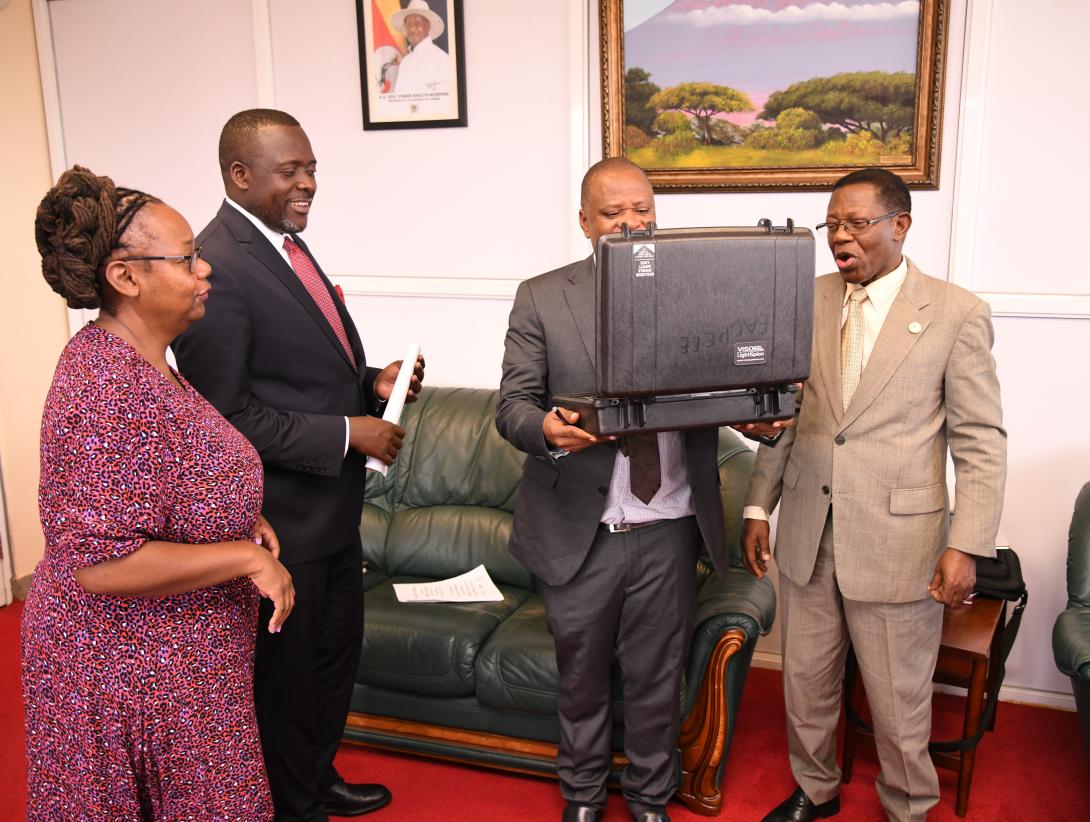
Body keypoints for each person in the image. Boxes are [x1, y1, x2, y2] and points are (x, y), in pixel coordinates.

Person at [495, 157, 788, 822]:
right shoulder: (543, 296)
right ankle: (583, 798)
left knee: (658, 682)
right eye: (612, 213)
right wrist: (543, 426)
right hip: (581, 529)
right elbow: (512, 404)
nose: (631, 223)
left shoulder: (695, 295)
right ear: (584, 223)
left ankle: (653, 799)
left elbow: (724, 391)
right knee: (582, 680)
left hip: (671, 526)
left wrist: (753, 416)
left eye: (643, 210)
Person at [22, 166, 295, 819]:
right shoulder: (104, 384)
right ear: (126, 277)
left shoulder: (146, 360)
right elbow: (102, 563)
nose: (206, 271)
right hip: (124, 675)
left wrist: (238, 513)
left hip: (184, 666)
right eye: (187, 259)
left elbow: (168, 472)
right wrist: (246, 558)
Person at [173, 109, 423, 820]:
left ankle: (317, 780)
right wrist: (350, 433)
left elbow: (300, 371)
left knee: (330, 665)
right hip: (281, 523)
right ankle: (292, 804)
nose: (309, 183)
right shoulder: (216, 268)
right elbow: (227, 417)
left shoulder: (285, 245)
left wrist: (373, 381)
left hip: (332, 515)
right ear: (240, 175)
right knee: (288, 686)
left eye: (311, 168)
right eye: (292, 171)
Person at [741, 167, 1007, 822]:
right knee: (805, 683)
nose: (840, 236)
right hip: (808, 529)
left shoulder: (955, 313)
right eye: (831, 224)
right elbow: (787, 415)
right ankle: (815, 789)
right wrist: (757, 504)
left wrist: (967, 543)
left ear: (900, 226)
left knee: (897, 698)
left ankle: (908, 804)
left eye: (856, 223)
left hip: (899, 543)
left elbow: (981, 441)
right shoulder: (805, 300)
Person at [389, 0, 449, 99]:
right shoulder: (405, 62)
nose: (412, 29)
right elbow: (398, 99)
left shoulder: (443, 60)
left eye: (417, 23)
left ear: (428, 25)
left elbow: (445, 104)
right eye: (408, 24)